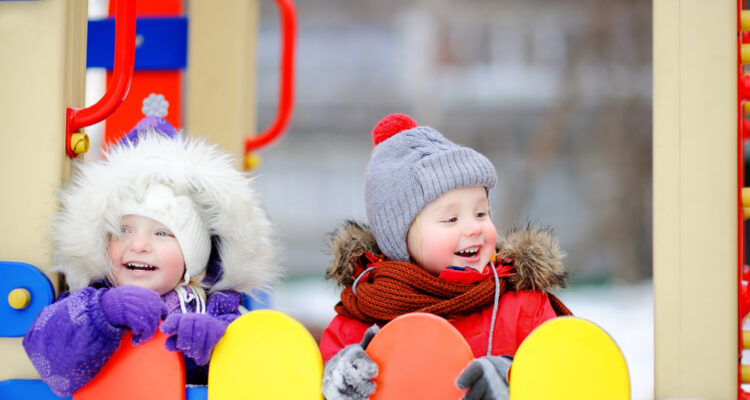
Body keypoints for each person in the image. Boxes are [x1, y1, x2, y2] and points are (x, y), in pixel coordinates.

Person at [23, 94, 278, 397]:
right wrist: (105, 312)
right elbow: (46, 353)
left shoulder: (215, 308)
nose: (139, 244)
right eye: (123, 230)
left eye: (161, 234)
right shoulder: (94, 297)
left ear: (192, 258)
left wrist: (216, 344)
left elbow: (257, 369)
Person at [319, 113, 571, 400]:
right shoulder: (361, 318)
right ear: (399, 240)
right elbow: (314, 383)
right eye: (451, 218)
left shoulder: (523, 307)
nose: (474, 227)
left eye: (481, 213)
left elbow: (568, 376)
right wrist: (337, 383)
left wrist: (515, 378)